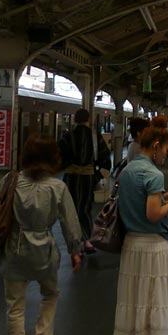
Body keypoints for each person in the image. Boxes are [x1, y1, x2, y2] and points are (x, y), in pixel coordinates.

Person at [0, 134, 82, 335]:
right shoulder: (58, 187)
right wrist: (75, 251)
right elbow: (71, 223)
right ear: (53, 159)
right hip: (44, 251)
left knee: (14, 306)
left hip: (14, 252)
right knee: (50, 294)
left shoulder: (11, 181)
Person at [113, 116, 168, 335]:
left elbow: (139, 203)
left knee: (134, 297)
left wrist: (161, 198)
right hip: (152, 246)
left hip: (131, 243)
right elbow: (153, 215)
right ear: (156, 145)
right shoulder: (152, 174)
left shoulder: (128, 170)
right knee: (151, 296)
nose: (166, 155)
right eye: (165, 150)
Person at [59, 108, 110, 252]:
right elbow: (105, 157)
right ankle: (87, 240)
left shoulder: (68, 136)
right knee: (85, 208)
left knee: (71, 208)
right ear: (88, 119)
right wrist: (98, 174)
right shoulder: (94, 137)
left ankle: (74, 243)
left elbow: (59, 156)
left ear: (75, 119)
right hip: (88, 178)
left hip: (70, 178)